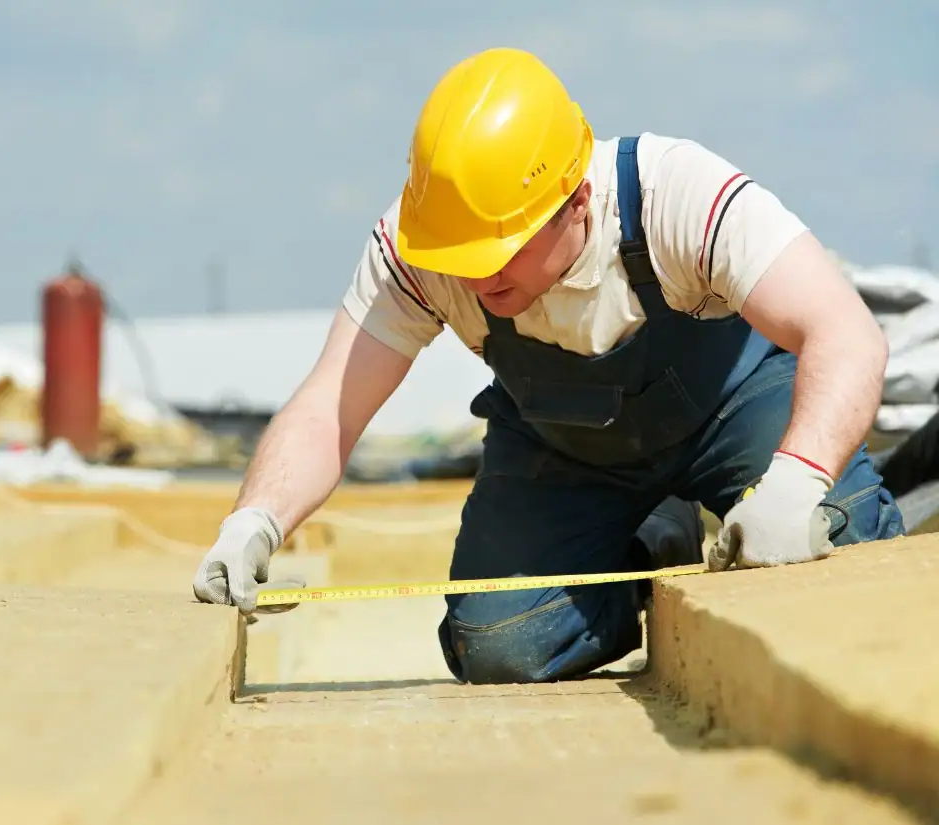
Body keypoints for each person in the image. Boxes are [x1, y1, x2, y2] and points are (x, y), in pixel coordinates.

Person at [192, 47, 906, 684]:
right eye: (461, 257)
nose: (477, 279)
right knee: (501, 642)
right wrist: (254, 520)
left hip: (731, 408)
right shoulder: (421, 246)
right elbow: (329, 406)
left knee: (838, 533)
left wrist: (793, 486)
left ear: (578, 201)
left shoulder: (675, 194)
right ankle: (653, 539)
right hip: (568, 448)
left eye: (500, 251)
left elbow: (846, 333)